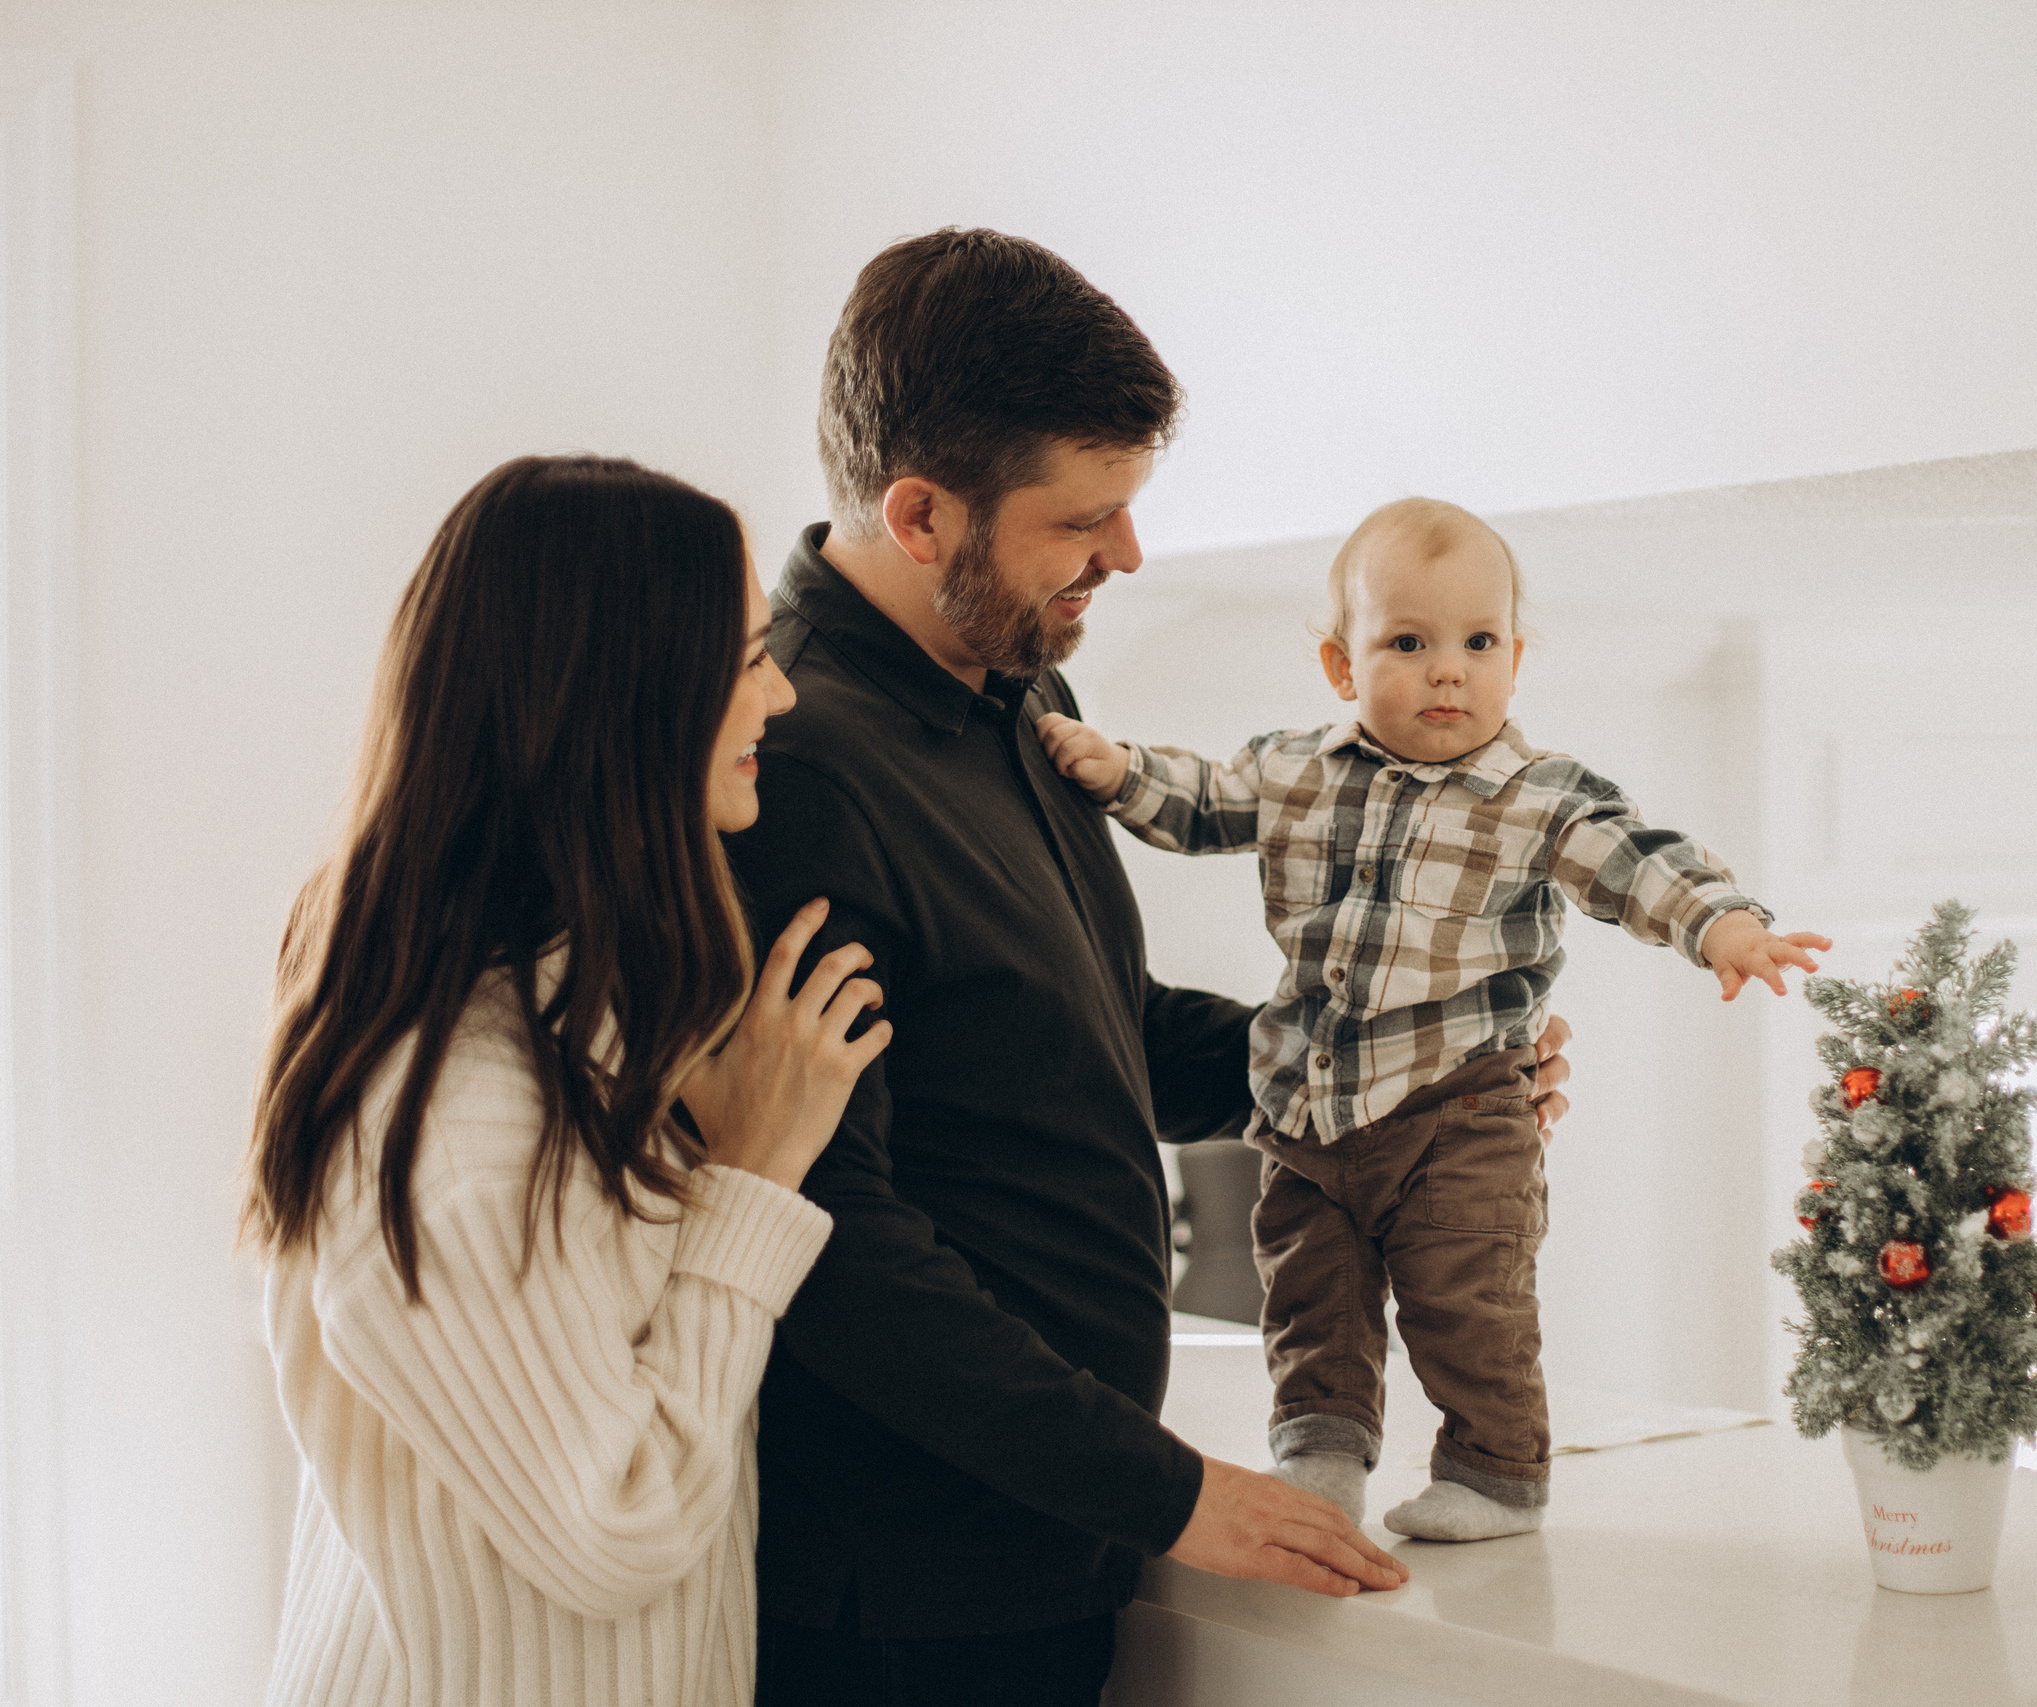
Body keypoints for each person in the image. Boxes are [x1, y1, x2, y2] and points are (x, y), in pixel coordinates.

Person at [722, 229, 1571, 1706]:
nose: (1126, 554)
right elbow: (826, 1235)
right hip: (903, 1602)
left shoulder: (1019, 694)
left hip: (1047, 1553)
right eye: (1085, 519)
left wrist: (1395, 1063)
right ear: (920, 514)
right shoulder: (793, 762)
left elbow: (1092, 1033)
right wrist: (1175, 1489)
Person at [1035, 496, 1833, 1541]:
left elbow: (1638, 862)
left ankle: (1496, 1473)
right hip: (1309, 1102)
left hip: (1460, 1110)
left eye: (1478, 641)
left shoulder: (1538, 796)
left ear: (1514, 658)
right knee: (1309, 1297)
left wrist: (1723, 925)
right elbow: (1201, 800)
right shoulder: (1295, 771)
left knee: (1467, 1296)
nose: (1447, 669)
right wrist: (1119, 769)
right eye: (1407, 643)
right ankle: (1319, 1455)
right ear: (1341, 667)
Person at [247, 455, 892, 1707]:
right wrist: (755, 1179)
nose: (782, 697)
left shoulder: (568, 1043)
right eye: (748, 657)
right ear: (625, 700)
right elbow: (620, 1529)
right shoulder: (454, 1120)